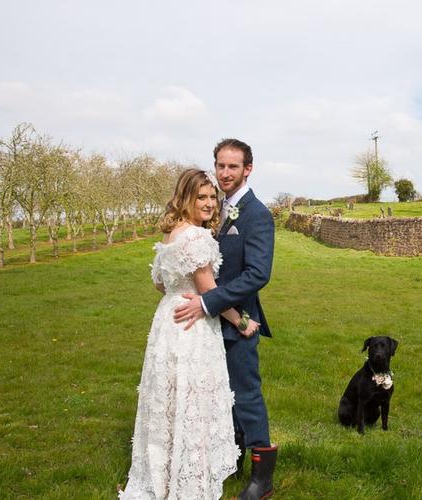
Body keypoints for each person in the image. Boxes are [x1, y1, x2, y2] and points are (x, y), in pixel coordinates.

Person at [119, 168, 260, 499]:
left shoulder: (171, 234)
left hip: (168, 320)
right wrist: (241, 321)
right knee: (193, 394)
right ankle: (189, 476)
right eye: (201, 197)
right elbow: (208, 289)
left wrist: (178, 294)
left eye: (213, 197)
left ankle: (164, 470)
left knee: (170, 395)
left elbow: (159, 283)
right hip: (192, 324)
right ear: (185, 198)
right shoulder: (197, 237)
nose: (210, 203)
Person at [173, 138, 277, 500]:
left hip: (239, 320)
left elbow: (258, 273)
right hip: (210, 324)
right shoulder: (215, 209)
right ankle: (229, 458)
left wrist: (208, 302)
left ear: (248, 169)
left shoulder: (256, 214)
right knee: (221, 394)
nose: (225, 173)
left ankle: (262, 478)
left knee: (246, 394)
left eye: (233, 166)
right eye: (220, 165)